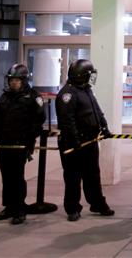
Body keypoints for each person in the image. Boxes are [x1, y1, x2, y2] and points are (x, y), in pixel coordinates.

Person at [0, 63, 46, 224]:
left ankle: (19, 209)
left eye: (16, 80)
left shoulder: (33, 97)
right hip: (4, 145)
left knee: (17, 177)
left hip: (20, 145)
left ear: (23, 80)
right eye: (11, 80)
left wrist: (29, 140)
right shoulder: (5, 97)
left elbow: (38, 121)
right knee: (7, 177)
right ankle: (9, 207)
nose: (13, 83)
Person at [55, 59, 115, 222]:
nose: (91, 78)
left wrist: (104, 127)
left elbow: (96, 111)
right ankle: (73, 208)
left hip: (89, 141)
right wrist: (76, 142)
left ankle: (97, 203)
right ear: (82, 75)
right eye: (89, 75)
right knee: (73, 177)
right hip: (74, 144)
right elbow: (67, 121)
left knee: (93, 175)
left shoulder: (86, 90)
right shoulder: (68, 94)